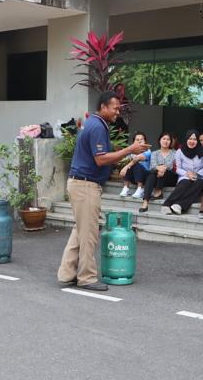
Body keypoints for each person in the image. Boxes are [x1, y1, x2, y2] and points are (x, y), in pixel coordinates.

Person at [57, 91, 150, 291]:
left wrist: (125, 155)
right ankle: (87, 278)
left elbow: (101, 156)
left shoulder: (93, 123)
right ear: (103, 107)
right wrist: (129, 150)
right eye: (115, 108)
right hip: (86, 186)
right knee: (89, 234)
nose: (118, 112)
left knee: (80, 231)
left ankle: (67, 273)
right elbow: (100, 159)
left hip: (80, 184)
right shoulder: (98, 126)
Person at [161, 130, 203, 215]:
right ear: (186, 139)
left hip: (201, 176)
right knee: (185, 183)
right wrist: (186, 174)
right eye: (190, 139)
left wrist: (198, 174)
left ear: (198, 141)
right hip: (185, 175)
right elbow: (177, 169)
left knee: (199, 183)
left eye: (194, 139)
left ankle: (179, 205)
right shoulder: (180, 152)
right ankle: (166, 205)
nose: (192, 141)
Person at [139, 132, 178, 213]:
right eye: (164, 139)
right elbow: (152, 166)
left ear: (170, 142)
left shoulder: (175, 153)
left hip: (170, 178)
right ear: (160, 140)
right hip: (157, 176)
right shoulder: (154, 153)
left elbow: (171, 166)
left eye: (168, 139)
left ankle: (158, 190)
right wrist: (159, 168)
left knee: (163, 170)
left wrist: (161, 168)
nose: (166, 141)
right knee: (152, 174)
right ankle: (145, 202)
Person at [119, 132, 151, 199]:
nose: (139, 141)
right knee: (128, 164)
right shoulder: (131, 152)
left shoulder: (148, 151)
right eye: (137, 140)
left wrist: (126, 167)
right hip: (134, 177)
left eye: (141, 139)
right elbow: (124, 160)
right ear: (133, 142)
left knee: (135, 164)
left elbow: (137, 158)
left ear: (145, 141)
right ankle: (126, 188)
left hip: (145, 176)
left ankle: (140, 189)